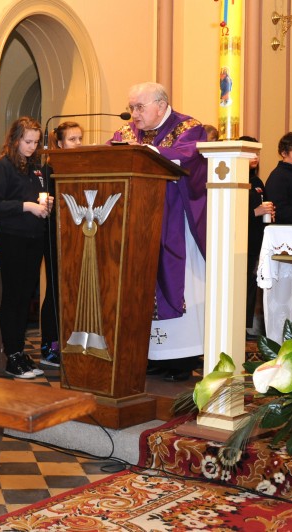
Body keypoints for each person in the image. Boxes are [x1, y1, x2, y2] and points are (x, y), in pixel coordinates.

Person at [109, 82, 208, 382]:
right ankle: (147, 354)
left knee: (180, 287)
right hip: (138, 224)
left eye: (139, 107)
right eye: (131, 108)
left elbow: (190, 160)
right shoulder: (126, 134)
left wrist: (148, 152)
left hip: (175, 223)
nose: (133, 114)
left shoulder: (189, 128)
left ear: (162, 105)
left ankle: (180, 358)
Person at [0, 117, 53, 379]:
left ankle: (21, 351)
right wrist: (27, 206)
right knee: (13, 297)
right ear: (14, 140)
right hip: (13, 238)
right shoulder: (2, 167)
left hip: (34, 237)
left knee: (26, 297)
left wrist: (45, 206)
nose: (32, 146)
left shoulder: (37, 167)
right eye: (27, 141)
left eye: (36, 142)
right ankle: (11, 354)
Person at [38, 121, 87, 368]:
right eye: (72, 139)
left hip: (79, 237)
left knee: (74, 291)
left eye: (80, 138)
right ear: (58, 143)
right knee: (56, 290)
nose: (78, 143)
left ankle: (73, 342)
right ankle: (50, 345)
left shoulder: (83, 169)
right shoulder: (47, 172)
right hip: (54, 236)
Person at [239, 136, 274, 338]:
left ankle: (245, 325)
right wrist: (255, 212)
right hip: (242, 240)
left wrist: (269, 211)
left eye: (258, 153)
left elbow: (264, 205)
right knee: (242, 283)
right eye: (251, 152)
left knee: (252, 284)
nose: (256, 157)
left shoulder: (257, 181)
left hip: (257, 239)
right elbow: (229, 214)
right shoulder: (236, 180)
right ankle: (238, 324)